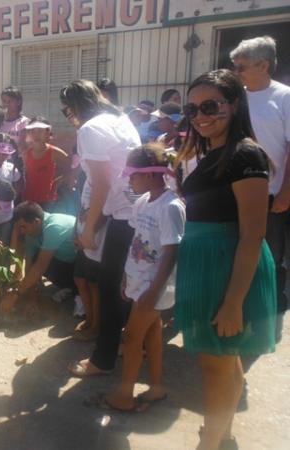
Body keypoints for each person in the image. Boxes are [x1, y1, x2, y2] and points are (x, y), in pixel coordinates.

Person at [175, 69, 276, 450]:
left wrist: (234, 301)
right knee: (222, 357)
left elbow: (253, 234)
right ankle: (223, 434)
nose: (200, 115)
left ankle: (210, 443)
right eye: (193, 108)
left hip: (226, 266)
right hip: (208, 264)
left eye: (210, 106)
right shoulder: (215, 151)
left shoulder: (245, 153)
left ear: (234, 105)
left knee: (215, 362)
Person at [60, 79, 142, 378]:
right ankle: (128, 343)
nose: (69, 116)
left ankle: (103, 359)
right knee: (127, 285)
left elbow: (103, 183)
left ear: (77, 106)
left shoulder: (90, 129)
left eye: (67, 110)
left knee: (109, 288)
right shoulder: (120, 119)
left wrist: (89, 227)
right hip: (137, 208)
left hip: (123, 214)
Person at [101, 143, 185, 412]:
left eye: (133, 175)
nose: (130, 181)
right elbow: (137, 243)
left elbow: (171, 253)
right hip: (139, 283)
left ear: (150, 174)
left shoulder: (171, 207)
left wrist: (153, 292)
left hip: (153, 288)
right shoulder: (141, 202)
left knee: (132, 339)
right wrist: (128, 279)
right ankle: (157, 387)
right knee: (151, 337)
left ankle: (125, 395)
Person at [230, 36, 290, 340]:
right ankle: (244, 306)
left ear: (263, 65)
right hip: (238, 191)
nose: (236, 71)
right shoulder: (236, 98)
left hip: (272, 194)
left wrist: (285, 191)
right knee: (240, 250)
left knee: (270, 254)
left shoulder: (284, 97)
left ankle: (269, 313)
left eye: (241, 66)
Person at [0, 202, 77, 317]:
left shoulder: (54, 227)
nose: (22, 231)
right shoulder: (31, 232)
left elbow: (40, 266)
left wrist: (15, 294)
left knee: (41, 262)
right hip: (66, 262)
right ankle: (71, 287)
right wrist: (32, 300)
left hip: (83, 266)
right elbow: (29, 266)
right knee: (36, 259)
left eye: (23, 226)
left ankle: (75, 290)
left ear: (37, 221)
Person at [20, 117, 70, 210]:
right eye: (33, 131)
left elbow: (72, 166)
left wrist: (57, 182)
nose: (36, 135)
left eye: (40, 131)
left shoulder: (54, 152)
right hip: (28, 201)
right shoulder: (25, 155)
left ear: (47, 133)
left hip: (48, 201)